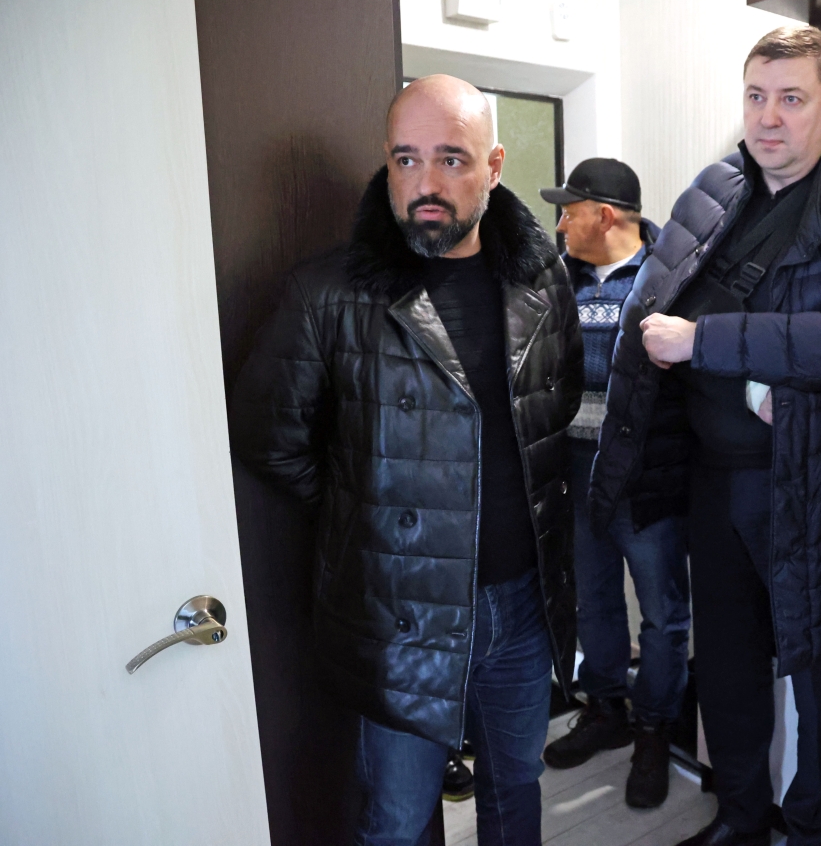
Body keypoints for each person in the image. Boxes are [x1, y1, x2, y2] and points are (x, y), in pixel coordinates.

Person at [590, 26, 821, 846]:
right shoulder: (715, 189)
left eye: (791, 98)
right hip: (714, 476)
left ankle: (810, 832)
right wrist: (734, 372)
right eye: (755, 96)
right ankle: (741, 819)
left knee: (818, 677)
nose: (768, 118)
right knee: (730, 668)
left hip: (814, 486)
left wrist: (705, 343)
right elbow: (653, 309)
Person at [229, 75, 583, 846]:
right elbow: (267, 434)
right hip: (399, 616)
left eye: (451, 158)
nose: (425, 183)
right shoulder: (328, 293)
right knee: (395, 818)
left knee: (516, 789)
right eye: (405, 159)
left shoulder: (540, 279)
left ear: (493, 166)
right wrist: (369, 509)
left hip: (523, 600)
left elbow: (555, 406)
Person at [538, 159, 692, 809]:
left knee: (661, 613)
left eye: (569, 211)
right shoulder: (557, 280)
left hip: (647, 474)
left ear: (604, 215)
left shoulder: (670, 278)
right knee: (593, 597)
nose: (560, 224)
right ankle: (606, 708)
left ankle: (653, 728)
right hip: (576, 470)